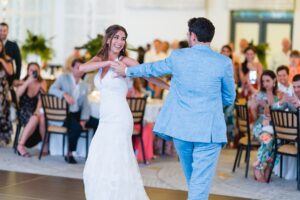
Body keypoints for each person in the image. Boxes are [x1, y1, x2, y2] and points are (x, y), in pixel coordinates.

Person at [112, 17, 236, 200]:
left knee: (193, 180)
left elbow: (152, 69)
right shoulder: (223, 62)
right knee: (199, 182)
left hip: (182, 129)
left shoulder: (178, 56)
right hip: (209, 131)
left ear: (192, 36)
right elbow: (229, 97)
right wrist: (212, 104)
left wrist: (127, 71)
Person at [80, 24, 169, 200]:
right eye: (117, 37)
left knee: (117, 160)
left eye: (123, 38)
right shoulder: (100, 59)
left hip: (120, 117)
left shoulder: (126, 61)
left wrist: (167, 86)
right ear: (108, 39)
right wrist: (107, 62)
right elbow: (82, 68)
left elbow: (146, 74)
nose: (120, 42)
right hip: (105, 119)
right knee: (98, 158)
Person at [49, 58, 90, 164]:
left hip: (78, 114)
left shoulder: (84, 84)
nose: (80, 70)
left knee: (99, 122)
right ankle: (70, 153)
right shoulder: (63, 78)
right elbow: (51, 90)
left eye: (82, 68)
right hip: (65, 114)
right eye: (77, 67)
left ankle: (95, 154)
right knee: (76, 128)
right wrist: (64, 94)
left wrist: (84, 119)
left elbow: (86, 104)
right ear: (72, 68)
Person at [250, 70, 279, 182]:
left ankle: (268, 166)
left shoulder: (278, 95)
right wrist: (260, 118)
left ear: (274, 81)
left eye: (268, 81)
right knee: (268, 139)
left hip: (274, 127)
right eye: (263, 81)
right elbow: (252, 108)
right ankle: (258, 165)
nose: (265, 84)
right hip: (260, 127)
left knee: (279, 142)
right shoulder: (260, 94)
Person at [16, 62, 47, 157]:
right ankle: (20, 146)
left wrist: (37, 111)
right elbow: (17, 94)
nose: (33, 72)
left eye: (35, 70)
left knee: (41, 117)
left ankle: (44, 144)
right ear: (28, 71)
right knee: (35, 118)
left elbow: (42, 99)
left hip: (35, 110)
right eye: (31, 70)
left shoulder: (42, 82)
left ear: (39, 71)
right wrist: (27, 82)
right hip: (23, 111)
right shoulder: (23, 81)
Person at [0, 39, 13, 145]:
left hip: (3, 89)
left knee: (3, 113)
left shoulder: (7, 58)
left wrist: (1, 60)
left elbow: (10, 72)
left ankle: (4, 137)